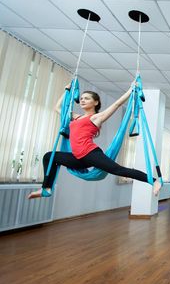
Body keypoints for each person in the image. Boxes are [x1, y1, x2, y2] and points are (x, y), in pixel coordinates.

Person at [28, 82, 162, 199]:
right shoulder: (76, 117)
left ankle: (154, 181)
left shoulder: (95, 118)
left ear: (95, 102)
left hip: (91, 153)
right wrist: (66, 91)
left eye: (87, 98)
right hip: (78, 158)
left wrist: (131, 89)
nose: (82, 100)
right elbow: (58, 108)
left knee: (118, 170)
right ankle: (46, 188)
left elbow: (116, 104)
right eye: (81, 98)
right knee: (49, 156)